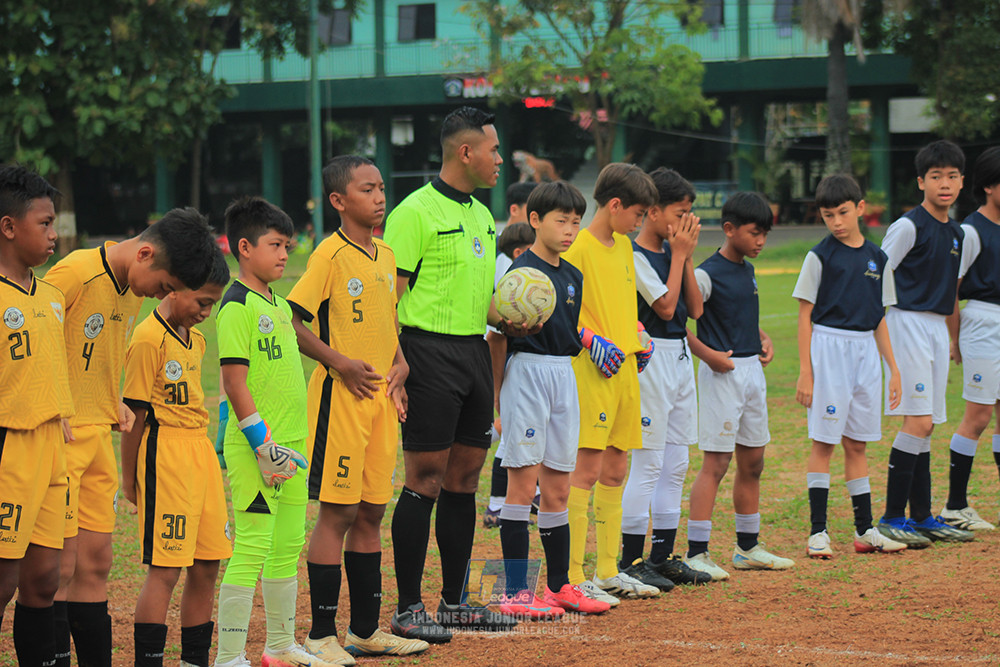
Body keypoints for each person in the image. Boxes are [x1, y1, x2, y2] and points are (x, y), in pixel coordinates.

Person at [46, 207, 217, 667]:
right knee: (56, 569)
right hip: (59, 440)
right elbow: (36, 335)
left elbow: (94, 354)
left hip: (97, 438)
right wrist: (52, 404)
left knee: (96, 563)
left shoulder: (132, 288)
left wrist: (111, 398)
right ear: (145, 253)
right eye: (163, 287)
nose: (161, 297)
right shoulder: (77, 272)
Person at [383, 106, 523, 643]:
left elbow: (483, 302)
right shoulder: (413, 213)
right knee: (425, 480)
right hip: (426, 353)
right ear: (466, 152)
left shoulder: (485, 216)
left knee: (465, 480)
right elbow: (388, 301)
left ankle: (456, 601)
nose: (499, 159)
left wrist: (516, 318)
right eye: (492, 149)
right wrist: (399, 362)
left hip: (473, 353)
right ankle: (408, 607)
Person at [287, 156, 428, 662]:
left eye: (381, 188)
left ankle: (365, 631)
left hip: (381, 402)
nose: (379, 196)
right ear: (339, 201)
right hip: (340, 401)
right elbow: (293, 319)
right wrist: (339, 363)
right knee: (338, 512)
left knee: (371, 511)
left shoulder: (386, 254)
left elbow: (386, 321)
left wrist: (401, 366)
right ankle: (320, 635)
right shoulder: (329, 256)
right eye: (367, 189)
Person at [212, 197, 325, 667]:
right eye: (275, 245)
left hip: (293, 446)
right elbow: (234, 383)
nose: (284, 254)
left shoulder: (278, 303)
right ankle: (229, 656)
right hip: (258, 447)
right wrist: (262, 444)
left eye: (288, 245)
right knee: (253, 544)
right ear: (244, 247)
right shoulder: (236, 305)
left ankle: (279, 646)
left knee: (287, 546)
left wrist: (286, 446)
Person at [493, 181, 612, 618]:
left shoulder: (573, 276)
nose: (569, 229)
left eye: (575, 222)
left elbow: (569, 330)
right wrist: (498, 399)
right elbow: (497, 338)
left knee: (559, 488)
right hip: (526, 373)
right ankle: (515, 593)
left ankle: (560, 585)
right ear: (535, 220)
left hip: (565, 374)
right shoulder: (518, 275)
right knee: (522, 486)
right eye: (560, 220)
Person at [121, 249, 233, 667]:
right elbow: (134, 415)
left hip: (199, 453)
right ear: (176, 286)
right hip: (163, 455)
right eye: (201, 301)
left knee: (207, 563)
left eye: (212, 304)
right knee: (166, 568)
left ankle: (194, 661)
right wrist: (129, 479)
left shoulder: (196, 339)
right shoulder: (148, 339)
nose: (206, 311)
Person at [791, 174, 908, 558]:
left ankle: (864, 530)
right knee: (824, 441)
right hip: (829, 348)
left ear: (860, 208)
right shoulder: (819, 255)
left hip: (865, 354)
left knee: (857, 443)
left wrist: (893, 368)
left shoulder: (879, 258)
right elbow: (804, 316)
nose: (837, 222)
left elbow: (879, 318)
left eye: (843, 212)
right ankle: (818, 532)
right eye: (828, 216)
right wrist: (806, 371)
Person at [561, 162, 660, 606]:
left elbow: (623, 302)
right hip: (594, 371)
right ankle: (573, 573)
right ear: (616, 205)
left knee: (618, 467)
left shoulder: (624, 247)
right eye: (638, 214)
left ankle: (607, 569)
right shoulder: (577, 246)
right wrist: (589, 338)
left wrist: (639, 334)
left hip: (626, 372)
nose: (640, 223)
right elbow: (568, 307)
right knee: (587, 467)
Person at [682, 191, 793, 581]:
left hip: (751, 372)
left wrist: (762, 336)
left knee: (754, 461)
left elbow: (740, 312)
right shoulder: (705, 273)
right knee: (717, 462)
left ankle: (747, 547)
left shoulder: (747, 268)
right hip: (722, 374)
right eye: (754, 233)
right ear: (729, 230)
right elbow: (682, 323)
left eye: (765, 234)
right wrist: (708, 355)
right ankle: (696, 552)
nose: (761, 241)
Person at [874, 140, 975, 546]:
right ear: (921, 182)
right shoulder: (907, 226)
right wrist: (877, 328)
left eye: (952, 176)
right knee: (917, 420)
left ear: (963, 181)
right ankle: (892, 517)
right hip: (906, 323)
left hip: (934, 328)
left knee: (928, 424)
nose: (945, 184)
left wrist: (953, 339)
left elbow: (952, 289)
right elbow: (877, 272)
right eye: (936, 177)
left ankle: (921, 517)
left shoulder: (958, 233)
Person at [618, 168, 712, 587]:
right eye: (681, 212)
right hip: (649, 357)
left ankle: (662, 556)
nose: (687, 222)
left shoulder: (676, 252)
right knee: (650, 460)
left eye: (690, 213)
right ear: (653, 212)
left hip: (679, 358)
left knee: (677, 462)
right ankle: (630, 560)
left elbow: (696, 309)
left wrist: (685, 255)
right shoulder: (636, 256)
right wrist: (678, 256)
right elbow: (667, 308)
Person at [0, 165, 73, 666]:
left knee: (45, 577)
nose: (54, 234)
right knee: (2, 578)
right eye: (44, 223)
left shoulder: (50, 296)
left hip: (52, 444)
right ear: (9, 227)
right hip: (10, 447)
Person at [941, 146, 1000, 531]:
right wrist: (956, 339)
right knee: (977, 416)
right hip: (982, 323)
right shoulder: (971, 231)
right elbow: (951, 288)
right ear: (991, 186)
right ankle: (955, 505)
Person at [484, 218, 536, 528]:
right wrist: (498, 391)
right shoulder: (513, 281)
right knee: (509, 439)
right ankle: (496, 506)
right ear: (519, 252)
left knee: (516, 439)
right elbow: (495, 337)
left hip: (524, 371)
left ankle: (513, 501)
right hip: (507, 368)